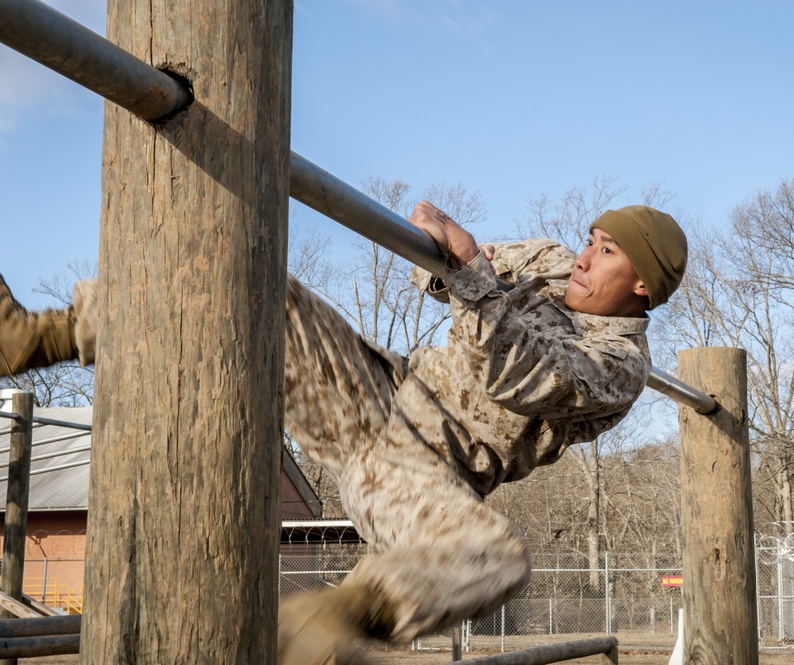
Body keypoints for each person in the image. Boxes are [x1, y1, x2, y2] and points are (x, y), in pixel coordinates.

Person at [0, 201, 687, 664]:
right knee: (255, 278)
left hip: (423, 471)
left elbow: (518, 370)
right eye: (593, 241)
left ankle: (336, 618)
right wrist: (438, 242)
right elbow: (448, 268)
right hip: (375, 390)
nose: (586, 259)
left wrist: (472, 272)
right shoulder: (553, 262)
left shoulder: (619, 368)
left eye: (608, 255)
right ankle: (44, 334)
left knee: (497, 558)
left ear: (642, 291)